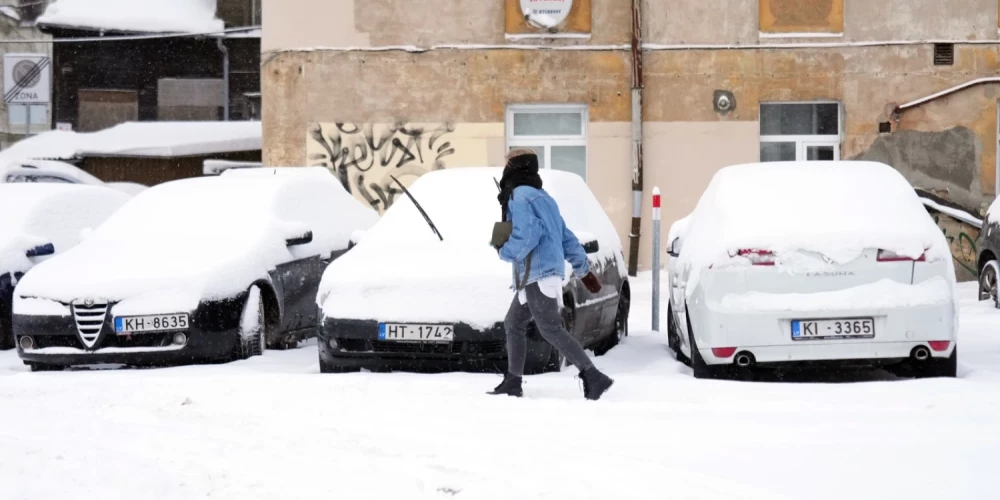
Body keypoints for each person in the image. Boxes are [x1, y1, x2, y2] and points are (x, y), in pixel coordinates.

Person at [489, 149, 614, 400]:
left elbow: (527, 235)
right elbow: (566, 238)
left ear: (515, 167)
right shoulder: (544, 197)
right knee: (513, 323)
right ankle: (513, 380)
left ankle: (593, 376)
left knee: (550, 329)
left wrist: (505, 251)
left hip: (537, 272)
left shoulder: (519, 196)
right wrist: (583, 269)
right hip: (540, 273)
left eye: (507, 164)